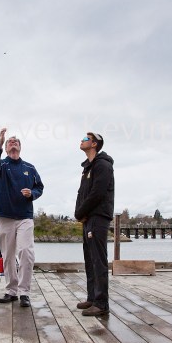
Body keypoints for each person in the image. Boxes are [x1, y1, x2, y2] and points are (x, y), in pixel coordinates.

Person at [0, 128, 44, 308]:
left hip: (24, 216)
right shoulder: (1, 166)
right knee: (8, 255)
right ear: (5, 148)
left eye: (16, 142)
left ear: (20, 147)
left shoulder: (30, 168)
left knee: (26, 252)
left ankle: (24, 292)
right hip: (4, 216)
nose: (13, 143)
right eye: (9, 142)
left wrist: (32, 194)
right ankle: (11, 290)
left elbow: (40, 187)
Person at [74, 132, 114, 317]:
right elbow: (82, 193)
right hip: (87, 218)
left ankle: (101, 303)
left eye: (85, 139)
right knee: (90, 260)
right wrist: (78, 213)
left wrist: (82, 212)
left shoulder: (103, 165)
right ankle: (92, 297)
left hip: (97, 217)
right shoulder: (88, 167)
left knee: (98, 260)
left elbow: (97, 193)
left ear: (94, 144)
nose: (81, 141)